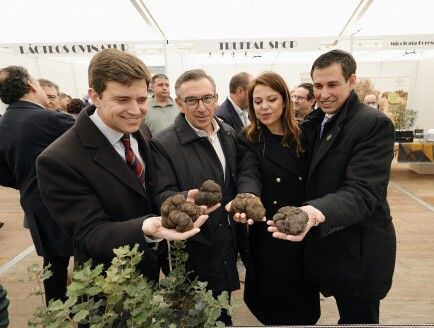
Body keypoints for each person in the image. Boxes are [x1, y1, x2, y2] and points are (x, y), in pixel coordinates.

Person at [36, 49, 209, 283]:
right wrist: (145, 228)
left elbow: (145, 192)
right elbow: (89, 234)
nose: (136, 110)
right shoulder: (58, 159)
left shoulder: (140, 131)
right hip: (110, 286)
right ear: (94, 96)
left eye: (140, 99)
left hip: (151, 271)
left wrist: (177, 200)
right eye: (122, 100)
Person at [268, 49, 396, 324]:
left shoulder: (372, 125)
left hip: (359, 253)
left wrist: (312, 212)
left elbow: (362, 193)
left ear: (351, 82)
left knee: (358, 319)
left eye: (332, 84)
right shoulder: (316, 122)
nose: (324, 93)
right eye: (318, 86)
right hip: (328, 250)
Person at [226, 71, 320, 325]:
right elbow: (249, 172)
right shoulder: (249, 138)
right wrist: (248, 198)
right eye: (258, 102)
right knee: (272, 304)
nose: (264, 107)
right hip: (268, 231)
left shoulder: (305, 135)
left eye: (271, 99)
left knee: (302, 305)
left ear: (285, 101)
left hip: (302, 228)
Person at [151, 69, 241, 326]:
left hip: (227, 240)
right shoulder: (163, 144)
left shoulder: (228, 133)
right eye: (192, 101)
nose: (201, 108)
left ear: (217, 97)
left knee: (223, 308)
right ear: (179, 103)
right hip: (195, 245)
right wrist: (183, 201)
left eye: (207, 98)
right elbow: (161, 194)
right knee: (198, 312)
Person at [0, 66, 74, 305]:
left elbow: (3, 173)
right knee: (87, 258)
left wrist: (28, 182)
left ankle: (56, 311)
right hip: (70, 203)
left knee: (53, 264)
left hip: (34, 204)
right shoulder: (53, 119)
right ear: (32, 85)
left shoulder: (4, 124)